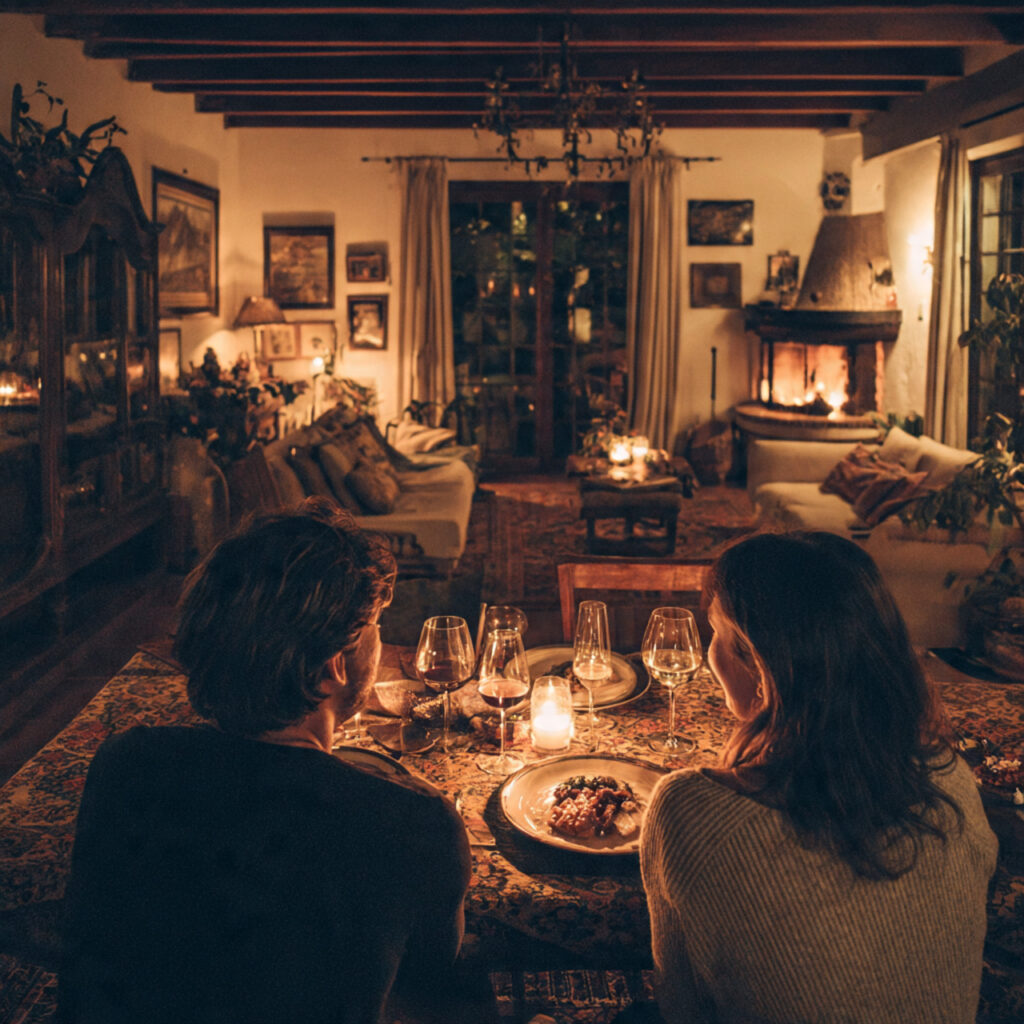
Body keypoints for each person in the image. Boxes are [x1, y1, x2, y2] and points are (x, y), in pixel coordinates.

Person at [58, 499, 476, 1024]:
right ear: (331, 669)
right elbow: (431, 979)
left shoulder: (124, 762)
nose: (381, 645)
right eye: (373, 630)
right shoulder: (416, 823)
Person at [640, 531, 998, 1024]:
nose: (709, 654)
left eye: (717, 633)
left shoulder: (691, 809)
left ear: (761, 663)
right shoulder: (952, 777)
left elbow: (682, 1005)